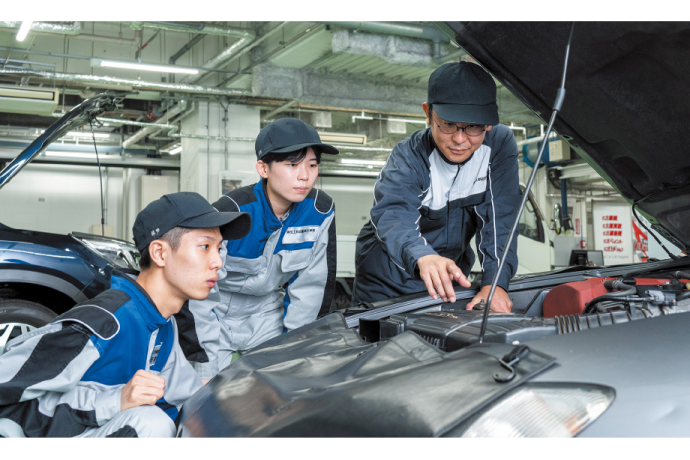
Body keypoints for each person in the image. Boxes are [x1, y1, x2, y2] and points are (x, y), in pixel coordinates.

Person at [0, 192, 250, 437]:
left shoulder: (162, 322)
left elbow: (186, 398)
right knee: (151, 424)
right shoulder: (105, 322)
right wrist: (114, 400)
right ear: (160, 253)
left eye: (219, 248)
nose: (218, 262)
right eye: (205, 247)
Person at [351, 61, 522, 312]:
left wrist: (495, 282)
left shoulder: (498, 147)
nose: (460, 139)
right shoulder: (409, 157)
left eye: (474, 126)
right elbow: (393, 214)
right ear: (428, 113)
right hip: (387, 281)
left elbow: (501, 219)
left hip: (447, 282)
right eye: (448, 124)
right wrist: (422, 256)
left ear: (489, 122)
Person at [178, 118, 339, 382]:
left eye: (312, 165)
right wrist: (201, 352)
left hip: (267, 312)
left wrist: (296, 348)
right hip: (216, 313)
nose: (305, 175)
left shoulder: (319, 211)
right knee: (202, 393)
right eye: (292, 165)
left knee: (284, 385)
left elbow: (311, 288)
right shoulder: (230, 213)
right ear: (263, 168)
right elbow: (198, 293)